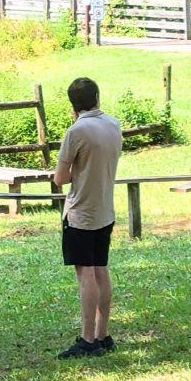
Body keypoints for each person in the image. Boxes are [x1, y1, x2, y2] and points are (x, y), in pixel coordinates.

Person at [52, 77, 123, 359]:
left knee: (86, 276)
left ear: (73, 105)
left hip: (81, 212)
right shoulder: (113, 125)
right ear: (97, 96)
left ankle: (87, 338)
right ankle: (103, 334)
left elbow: (60, 178)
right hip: (105, 209)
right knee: (101, 269)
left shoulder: (77, 131)